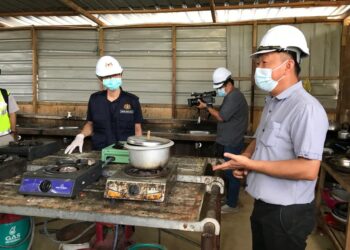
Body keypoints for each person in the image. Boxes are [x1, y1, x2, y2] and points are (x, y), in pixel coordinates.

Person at [213, 25, 329, 250]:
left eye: (264, 62)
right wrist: (244, 159)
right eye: (258, 63)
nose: (258, 68)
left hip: (287, 214)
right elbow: (260, 138)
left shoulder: (306, 108)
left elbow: (308, 169)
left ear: (288, 65)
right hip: (264, 205)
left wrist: (253, 163)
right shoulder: (272, 101)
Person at [65, 55, 143, 154]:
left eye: (115, 75)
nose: (112, 79)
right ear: (100, 79)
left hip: (125, 152)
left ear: (121, 74)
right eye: (107, 77)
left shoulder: (132, 100)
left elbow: (137, 129)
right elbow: (90, 124)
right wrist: (81, 135)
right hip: (99, 152)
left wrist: (139, 151)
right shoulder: (95, 99)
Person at [197, 67, 248, 213]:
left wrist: (207, 107)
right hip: (228, 140)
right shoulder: (231, 96)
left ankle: (232, 205)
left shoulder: (234, 97)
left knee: (232, 173)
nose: (219, 90)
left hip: (232, 142)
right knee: (228, 172)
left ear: (227, 84)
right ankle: (230, 199)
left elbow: (221, 117)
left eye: (220, 87)